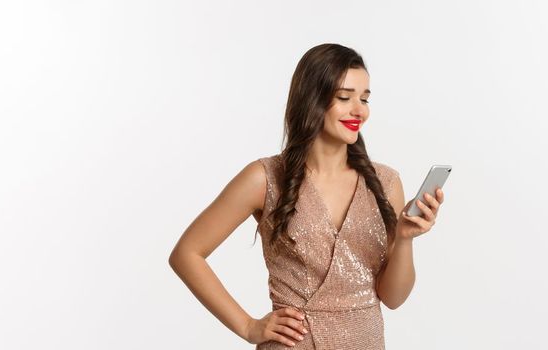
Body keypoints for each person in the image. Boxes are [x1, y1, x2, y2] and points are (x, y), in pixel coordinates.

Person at [168, 43, 445, 349]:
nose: (359, 110)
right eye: (344, 97)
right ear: (312, 99)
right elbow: (187, 254)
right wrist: (247, 326)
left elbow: (393, 298)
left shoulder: (385, 183)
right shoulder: (265, 177)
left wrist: (405, 238)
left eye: (364, 99)